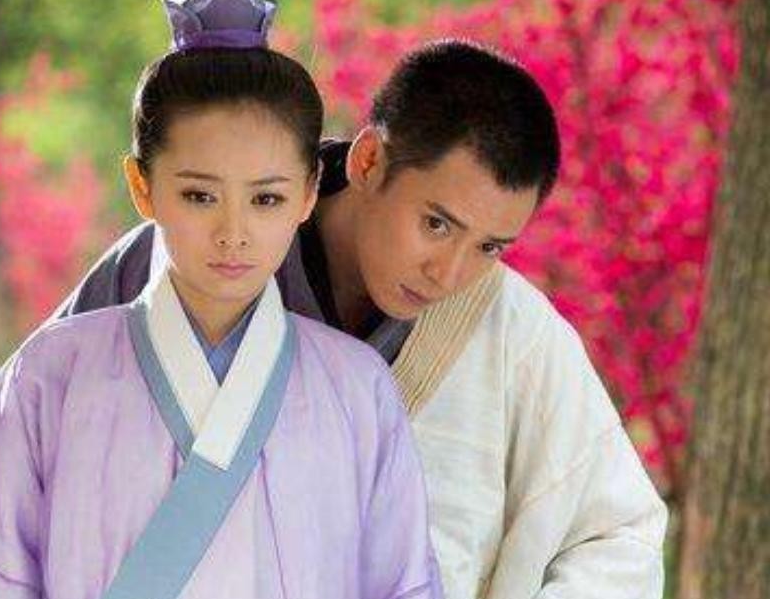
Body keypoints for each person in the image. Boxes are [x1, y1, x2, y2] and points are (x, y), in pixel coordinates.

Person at [55, 35, 669, 597]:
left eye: (489, 247)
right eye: (437, 224)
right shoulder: (178, 262)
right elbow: (33, 461)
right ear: (369, 160)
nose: (449, 274)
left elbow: (618, 535)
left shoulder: (514, 331)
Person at [0, 0, 443, 599]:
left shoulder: (358, 388)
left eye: (266, 199)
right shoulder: (51, 374)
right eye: (199, 196)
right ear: (142, 187)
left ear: (309, 192)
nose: (233, 233)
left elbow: (403, 585)